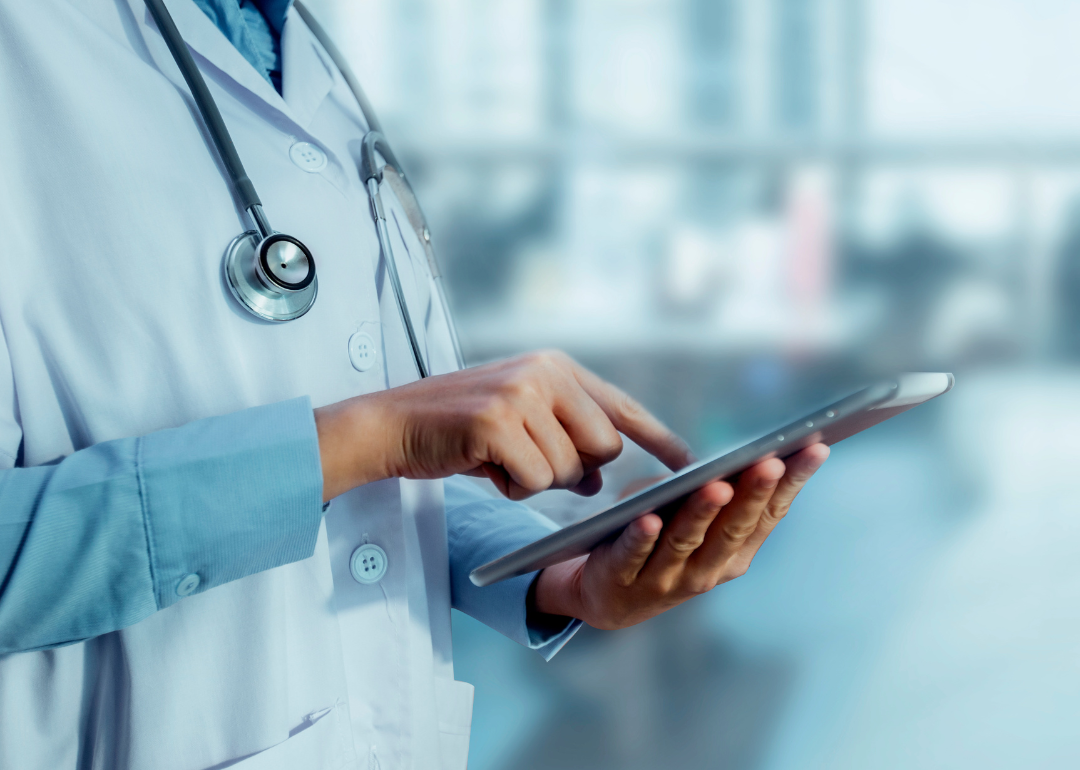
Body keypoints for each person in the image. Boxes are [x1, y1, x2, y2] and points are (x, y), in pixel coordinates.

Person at [0, 1, 829, 768]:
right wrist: (368, 437)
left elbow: (365, 450)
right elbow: (357, 439)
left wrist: (541, 569)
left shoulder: (296, 48)